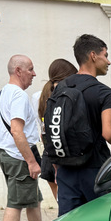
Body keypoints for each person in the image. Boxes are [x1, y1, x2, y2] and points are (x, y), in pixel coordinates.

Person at [55, 34, 111, 216]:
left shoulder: (61, 88)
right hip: (96, 171)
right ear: (93, 56)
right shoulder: (104, 92)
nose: (108, 61)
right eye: (106, 55)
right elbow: (108, 133)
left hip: (66, 169)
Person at [0, 55, 43, 221]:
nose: (34, 74)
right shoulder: (18, 95)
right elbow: (16, 130)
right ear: (18, 71)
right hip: (19, 157)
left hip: (9, 154)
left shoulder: (3, 92)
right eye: (30, 69)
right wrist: (31, 161)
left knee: (33, 201)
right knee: (15, 203)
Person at [34, 58, 78, 202]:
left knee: (61, 203)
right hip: (63, 157)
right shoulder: (65, 96)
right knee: (73, 206)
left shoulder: (39, 97)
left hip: (49, 155)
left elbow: (43, 131)